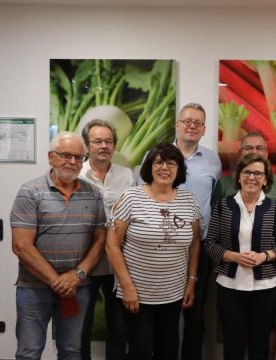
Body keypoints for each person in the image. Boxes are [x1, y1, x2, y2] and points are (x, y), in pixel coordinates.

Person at [10, 131, 106, 359]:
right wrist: (57, 281)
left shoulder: (93, 194)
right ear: (50, 157)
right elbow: (21, 247)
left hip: (77, 288)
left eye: (78, 157)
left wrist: (77, 275)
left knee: (72, 351)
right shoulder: (30, 192)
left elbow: (100, 241)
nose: (72, 162)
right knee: (29, 352)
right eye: (65, 155)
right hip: (34, 289)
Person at [106, 142, 201, 360]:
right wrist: (127, 287)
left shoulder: (189, 201)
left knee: (167, 351)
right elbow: (112, 245)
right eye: (159, 162)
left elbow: (195, 244)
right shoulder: (130, 198)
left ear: (179, 169)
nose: (164, 168)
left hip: (173, 293)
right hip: (136, 294)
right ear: (150, 167)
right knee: (140, 350)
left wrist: (192, 281)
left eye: (171, 163)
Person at [212, 131, 276, 359]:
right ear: (238, 176)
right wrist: (232, 256)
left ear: (266, 179)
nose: (252, 177)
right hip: (230, 285)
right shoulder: (223, 206)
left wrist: (264, 256)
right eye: (247, 172)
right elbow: (211, 244)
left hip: (265, 286)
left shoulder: (274, 208)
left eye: (258, 173)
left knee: (260, 345)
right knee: (233, 344)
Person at [79, 119, 134, 360]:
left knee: (119, 327)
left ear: (114, 145)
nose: (103, 146)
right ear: (87, 146)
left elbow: (133, 213)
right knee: (81, 326)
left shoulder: (125, 175)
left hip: (117, 264)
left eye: (108, 141)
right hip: (84, 263)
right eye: (97, 141)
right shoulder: (77, 175)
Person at [174, 103, 222, 360]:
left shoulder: (213, 160)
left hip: (200, 247)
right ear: (177, 125)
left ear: (203, 130)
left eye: (198, 123)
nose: (192, 126)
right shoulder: (158, 155)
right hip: (164, 249)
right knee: (165, 314)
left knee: (195, 312)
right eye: (187, 121)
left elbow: (213, 201)